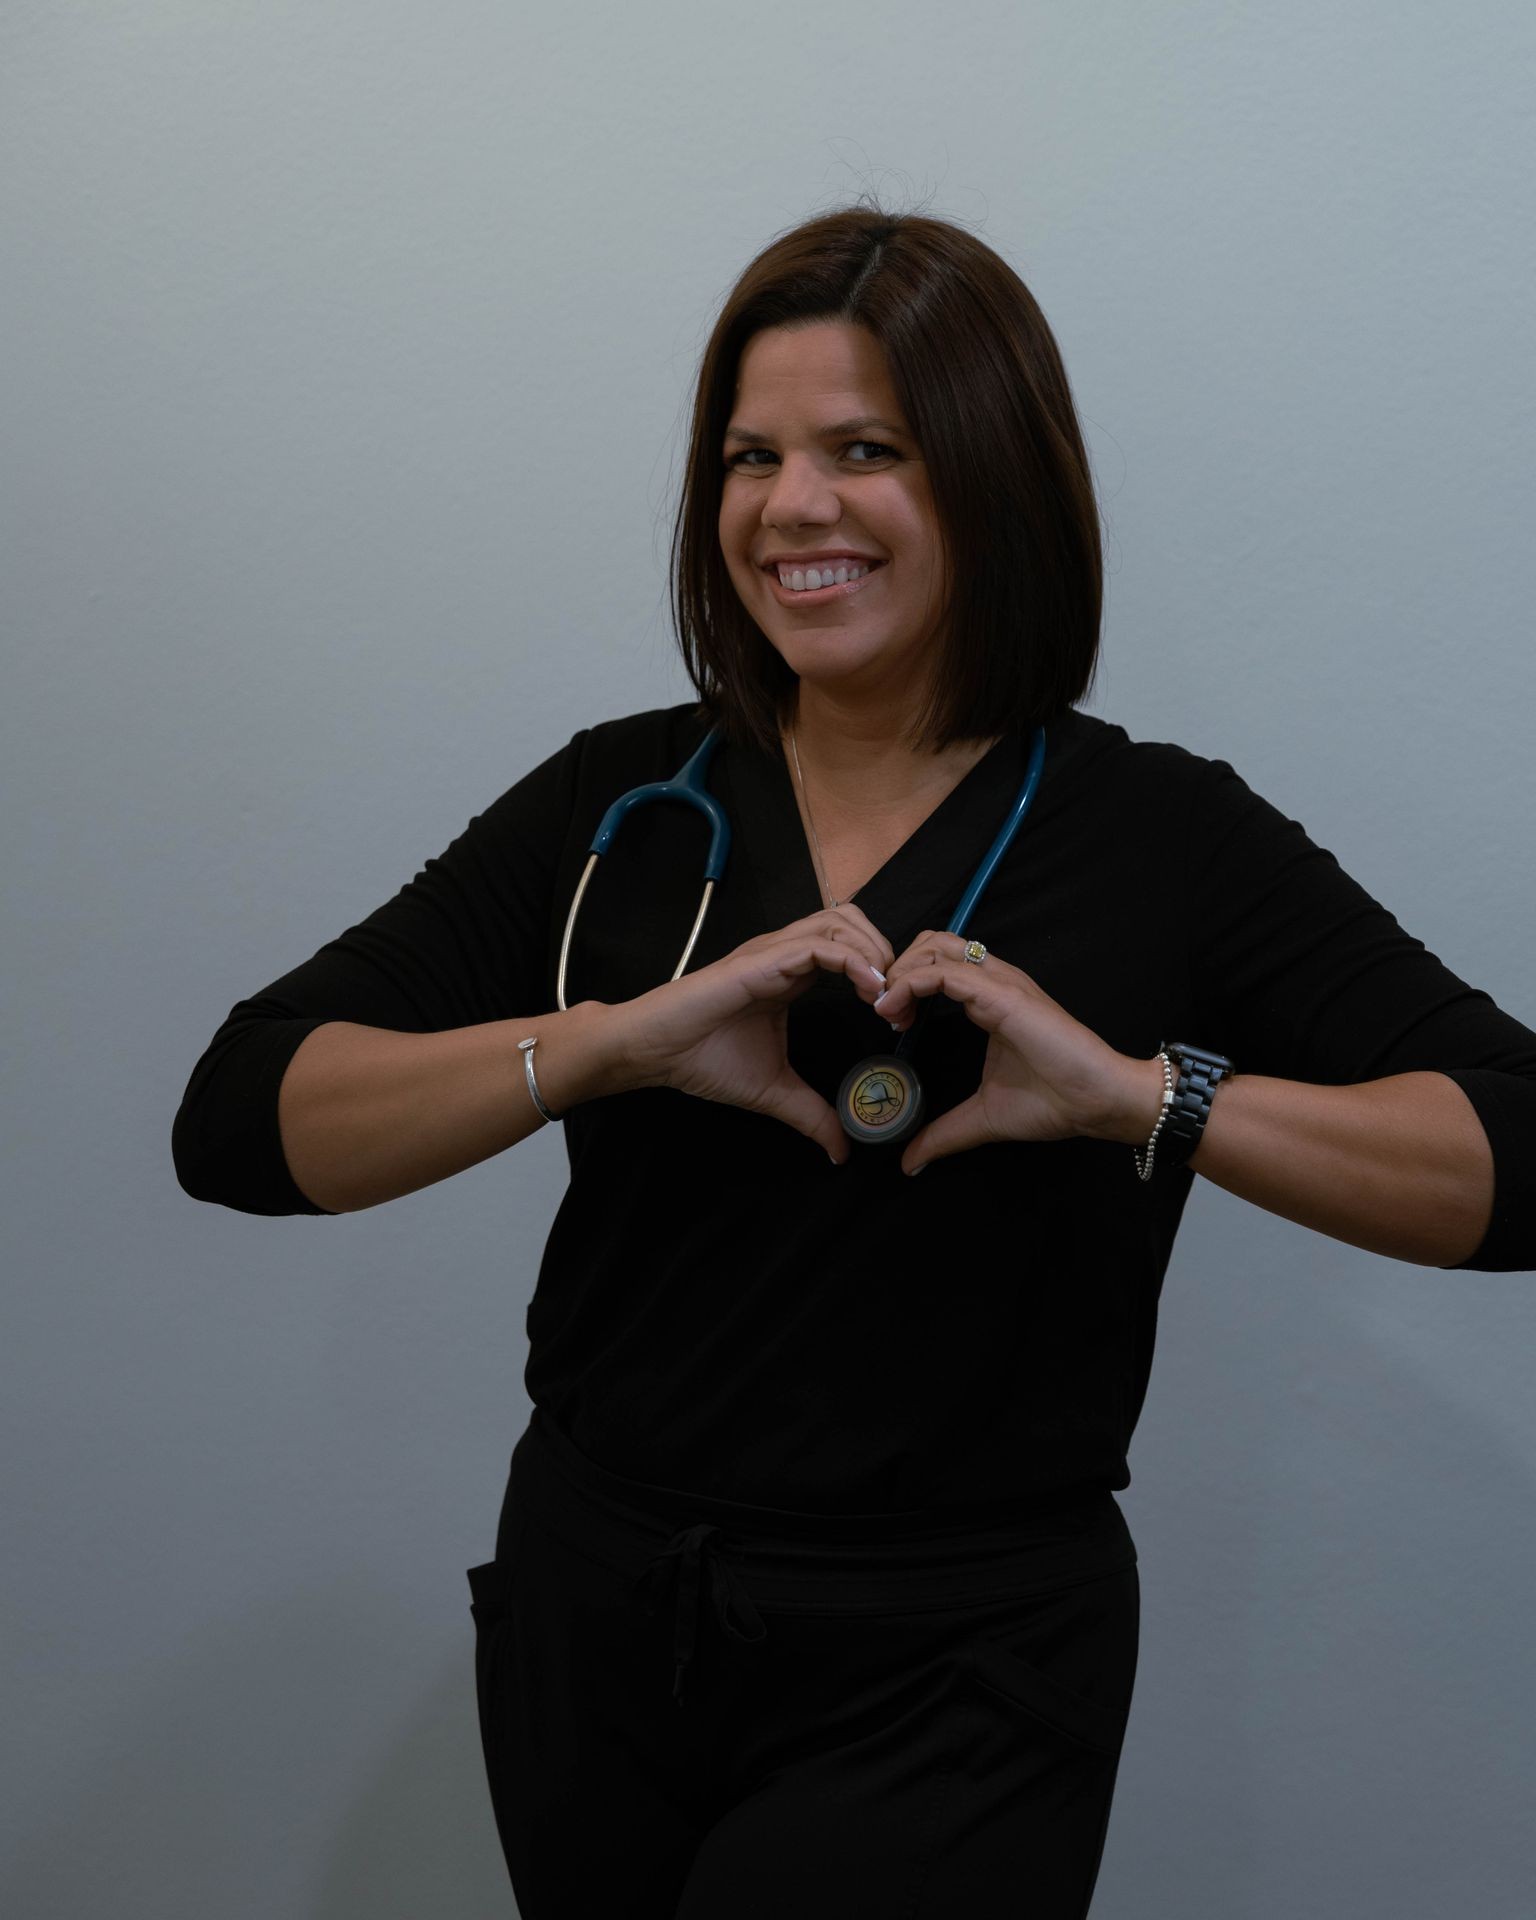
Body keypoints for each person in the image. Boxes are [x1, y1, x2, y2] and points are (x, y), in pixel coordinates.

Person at [172, 203, 1536, 1918]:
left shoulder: (1165, 838)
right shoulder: (621, 805)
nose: (791, 506)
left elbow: (1517, 1152)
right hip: (600, 1614)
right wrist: (608, 1045)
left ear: (994, 476)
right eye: (751, 457)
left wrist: (1140, 1100)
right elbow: (239, 1116)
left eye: (864, 449)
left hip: (956, 1663)